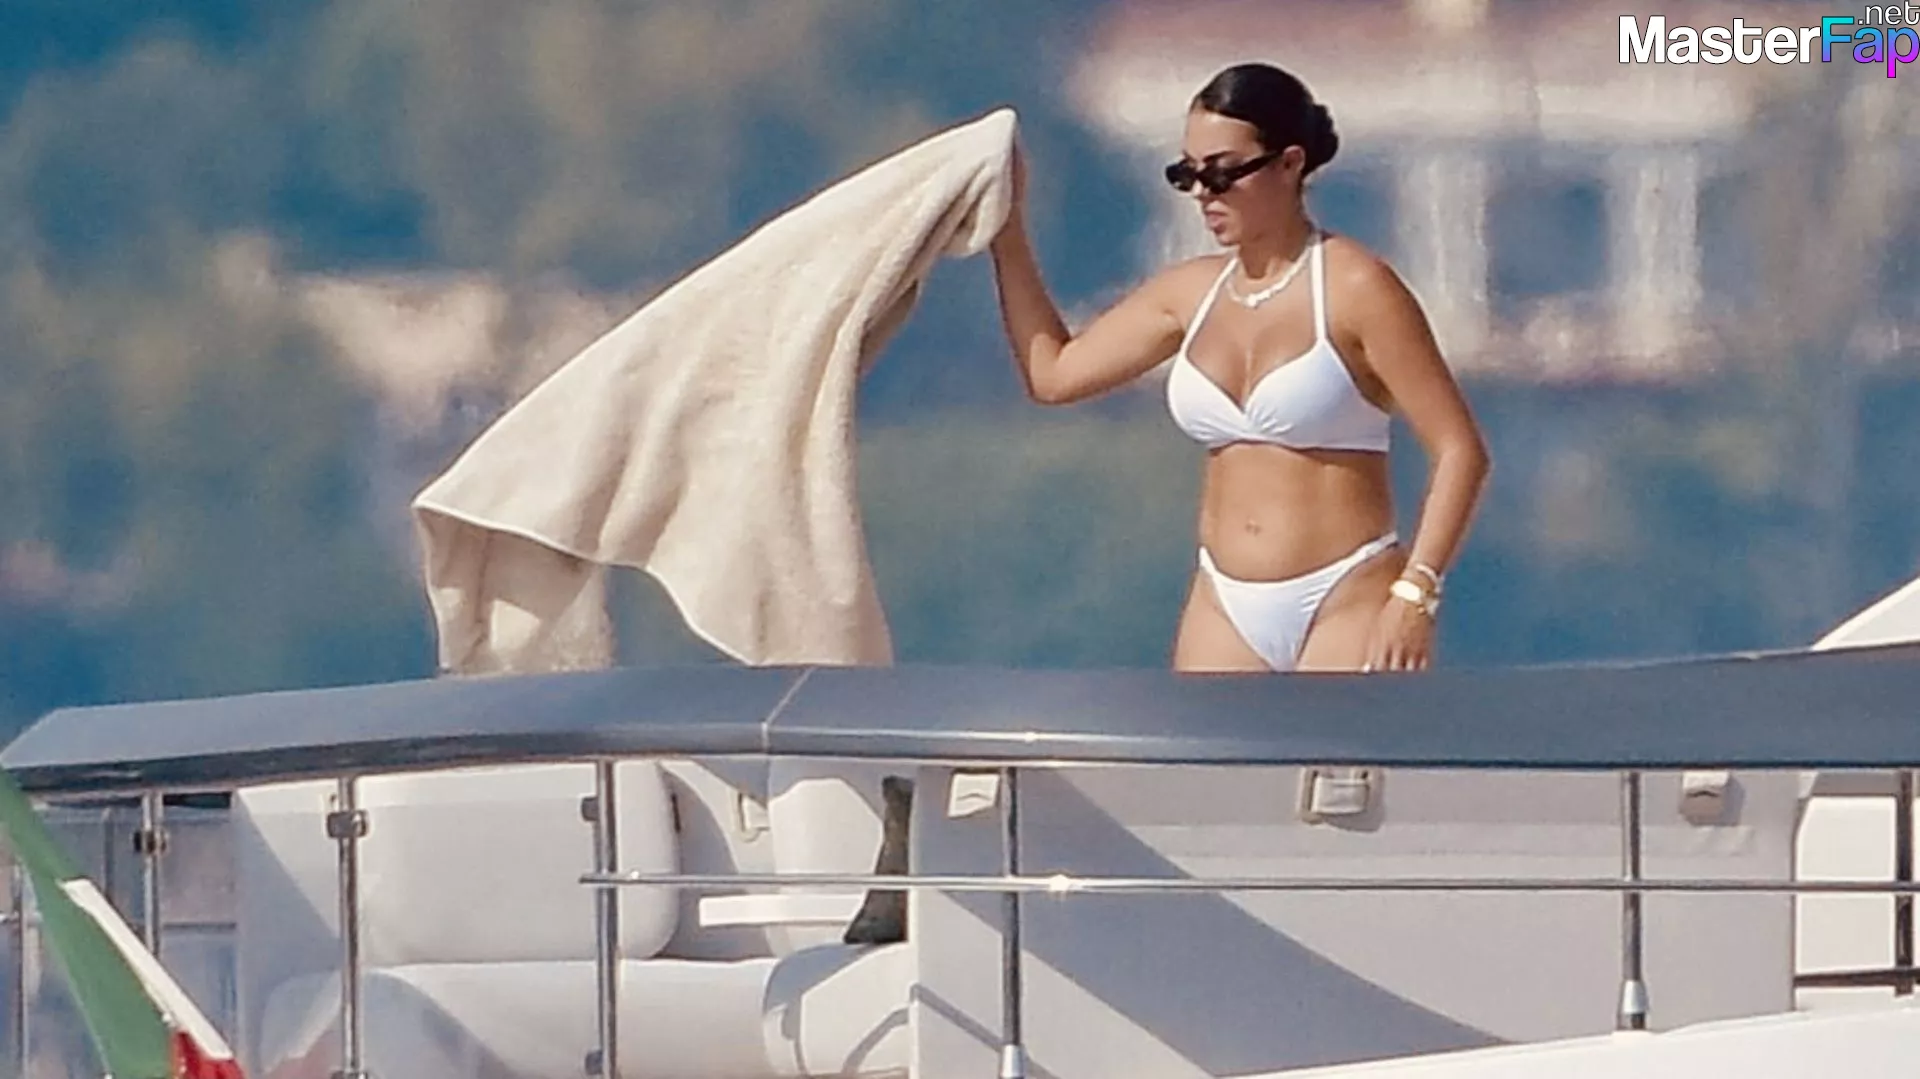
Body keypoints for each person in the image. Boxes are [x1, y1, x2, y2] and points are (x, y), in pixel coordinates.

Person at [987, 62, 1491, 674]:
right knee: (1204, 742)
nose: (1204, 193)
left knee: (1337, 742)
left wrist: (1416, 593)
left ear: (1290, 163)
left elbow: (1459, 449)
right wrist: (1007, 232)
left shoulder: (1357, 287)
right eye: (1188, 174)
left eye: (1224, 172)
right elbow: (1053, 374)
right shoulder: (1189, 293)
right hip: (1222, 601)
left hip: (1346, 593)